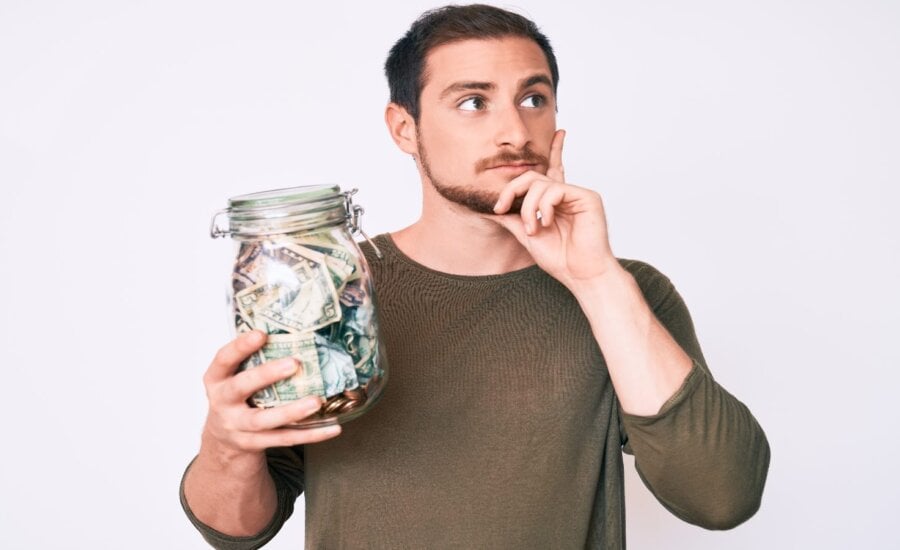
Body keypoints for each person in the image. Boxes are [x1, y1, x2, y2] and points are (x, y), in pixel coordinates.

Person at [180, 4, 770, 549]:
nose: (514, 130)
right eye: (472, 102)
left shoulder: (623, 292)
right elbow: (237, 531)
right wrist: (227, 443)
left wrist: (594, 279)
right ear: (404, 128)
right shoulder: (332, 285)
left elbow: (721, 498)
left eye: (533, 99)